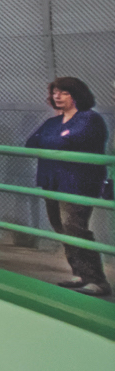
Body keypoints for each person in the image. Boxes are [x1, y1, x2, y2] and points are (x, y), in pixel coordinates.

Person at [25, 77, 108, 295]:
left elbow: (71, 140)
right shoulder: (53, 122)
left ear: (76, 95)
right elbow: (31, 142)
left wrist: (55, 139)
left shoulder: (89, 119)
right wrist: (59, 138)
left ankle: (97, 280)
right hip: (52, 180)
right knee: (60, 227)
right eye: (55, 93)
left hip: (78, 182)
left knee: (74, 227)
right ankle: (80, 273)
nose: (57, 96)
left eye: (63, 93)